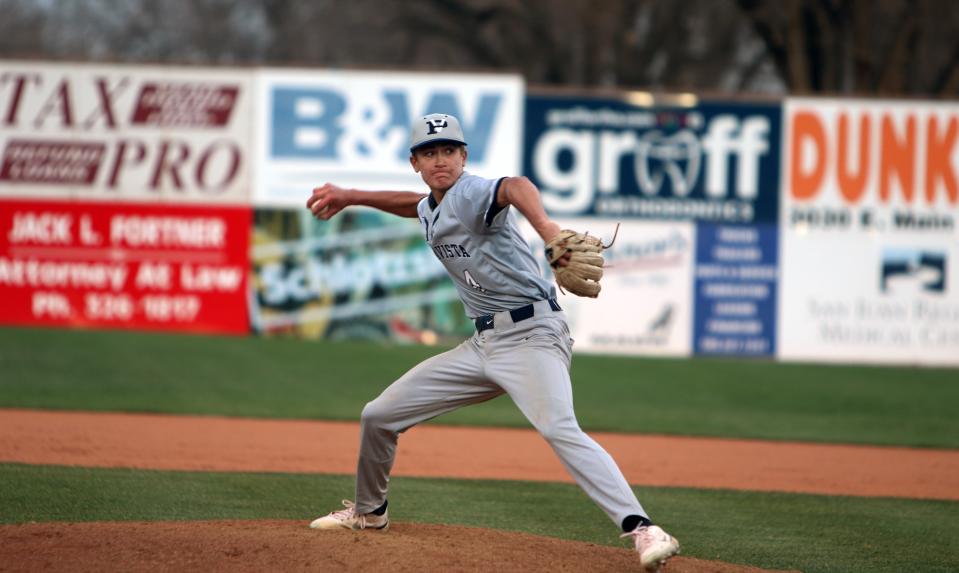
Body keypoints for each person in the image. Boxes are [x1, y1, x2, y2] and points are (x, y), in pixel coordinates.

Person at [305, 113, 680, 571]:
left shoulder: (469, 191)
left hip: (533, 337)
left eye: (448, 151)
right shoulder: (434, 206)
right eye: (429, 153)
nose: (440, 160)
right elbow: (414, 205)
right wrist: (352, 195)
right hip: (482, 345)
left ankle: (643, 529)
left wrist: (548, 232)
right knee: (379, 416)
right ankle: (369, 513)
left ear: (464, 156)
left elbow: (515, 186)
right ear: (415, 163)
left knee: (559, 427)